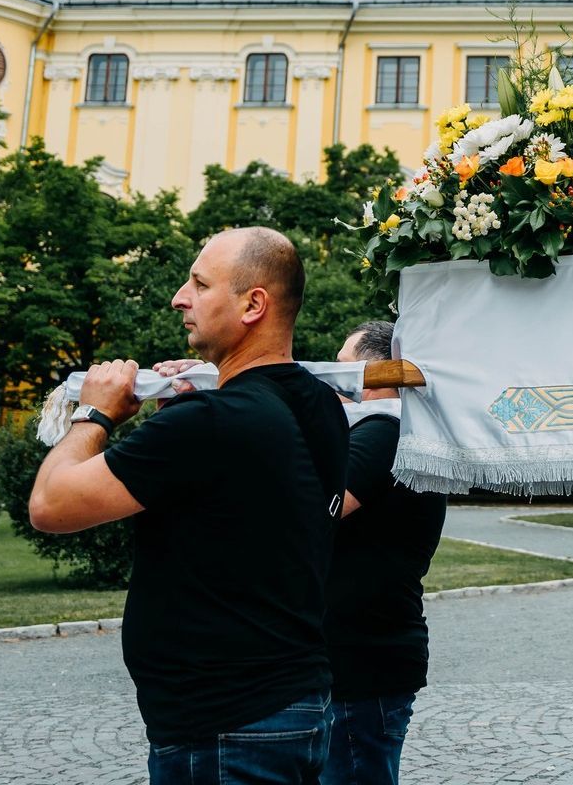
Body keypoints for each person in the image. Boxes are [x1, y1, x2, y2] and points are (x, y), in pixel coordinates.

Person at [28, 227, 348, 785]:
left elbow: (51, 505)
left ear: (253, 304)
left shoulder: (210, 423)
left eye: (199, 284)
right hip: (294, 699)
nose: (180, 297)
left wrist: (95, 414)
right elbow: (239, 497)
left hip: (223, 722)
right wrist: (198, 403)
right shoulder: (317, 403)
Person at [322, 320, 447, 785]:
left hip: (362, 662)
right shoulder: (400, 433)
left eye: (341, 372)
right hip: (368, 655)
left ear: (377, 373)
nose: (333, 385)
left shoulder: (383, 433)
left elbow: (314, 511)